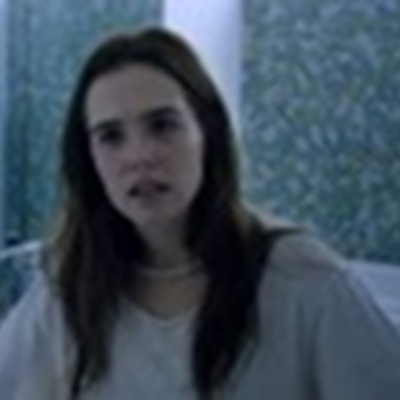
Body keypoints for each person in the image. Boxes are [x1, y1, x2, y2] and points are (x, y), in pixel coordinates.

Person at [0, 27, 399, 400]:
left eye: (162, 126)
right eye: (111, 136)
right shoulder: (67, 288)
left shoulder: (300, 278)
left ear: (207, 132)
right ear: (88, 159)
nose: (139, 157)